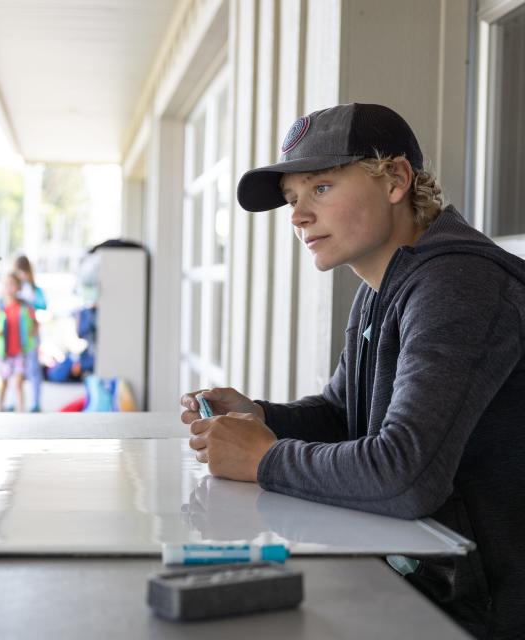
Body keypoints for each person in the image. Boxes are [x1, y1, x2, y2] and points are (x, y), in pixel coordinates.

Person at [180, 103, 525, 639]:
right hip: (426, 585)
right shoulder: (386, 283)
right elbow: (345, 413)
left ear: (395, 180)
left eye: (320, 188)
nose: (297, 216)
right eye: (293, 199)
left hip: (485, 614)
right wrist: (262, 415)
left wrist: (266, 458)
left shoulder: (460, 282)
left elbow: (405, 474)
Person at [0, 272, 38, 412]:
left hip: (20, 351)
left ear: (19, 287)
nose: (10, 288)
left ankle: (21, 409)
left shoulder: (25, 307)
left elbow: (35, 323)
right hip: (4, 352)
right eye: (7, 284)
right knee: (4, 382)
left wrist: (33, 333)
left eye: (13, 284)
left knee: (18, 382)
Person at [13, 255, 47, 411]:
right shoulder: (14, 289)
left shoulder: (34, 290)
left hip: (31, 335)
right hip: (16, 336)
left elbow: (43, 306)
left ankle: (36, 402)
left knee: (34, 370)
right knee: (15, 370)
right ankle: (16, 402)